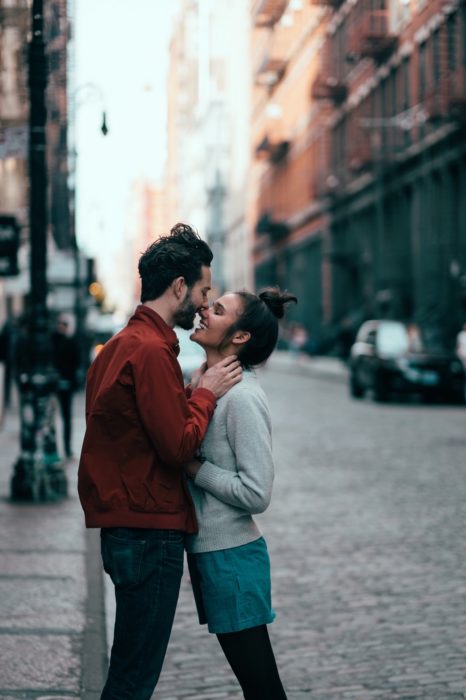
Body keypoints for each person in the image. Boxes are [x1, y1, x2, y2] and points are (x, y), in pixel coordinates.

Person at [78, 223, 242, 700]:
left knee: (129, 670)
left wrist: (187, 395)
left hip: (127, 525)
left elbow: (134, 431)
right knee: (134, 679)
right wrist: (207, 394)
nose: (204, 302)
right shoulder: (150, 351)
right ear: (178, 287)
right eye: (203, 290)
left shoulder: (121, 346)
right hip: (149, 530)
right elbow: (176, 447)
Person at [184, 287, 296, 700]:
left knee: (262, 687)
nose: (203, 313)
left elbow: (257, 492)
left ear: (240, 336)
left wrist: (196, 469)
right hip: (215, 554)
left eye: (216, 310)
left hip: (232, 557)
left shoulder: (243, 398)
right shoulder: (209, 386)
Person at [51, 314, 80, 457]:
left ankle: (65, 448)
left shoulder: (58, 342)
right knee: (62, 416)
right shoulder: (63, 341)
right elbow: (77, 362)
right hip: (62, 383)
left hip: (62, 383)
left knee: (63, 416)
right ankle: (63, 448)